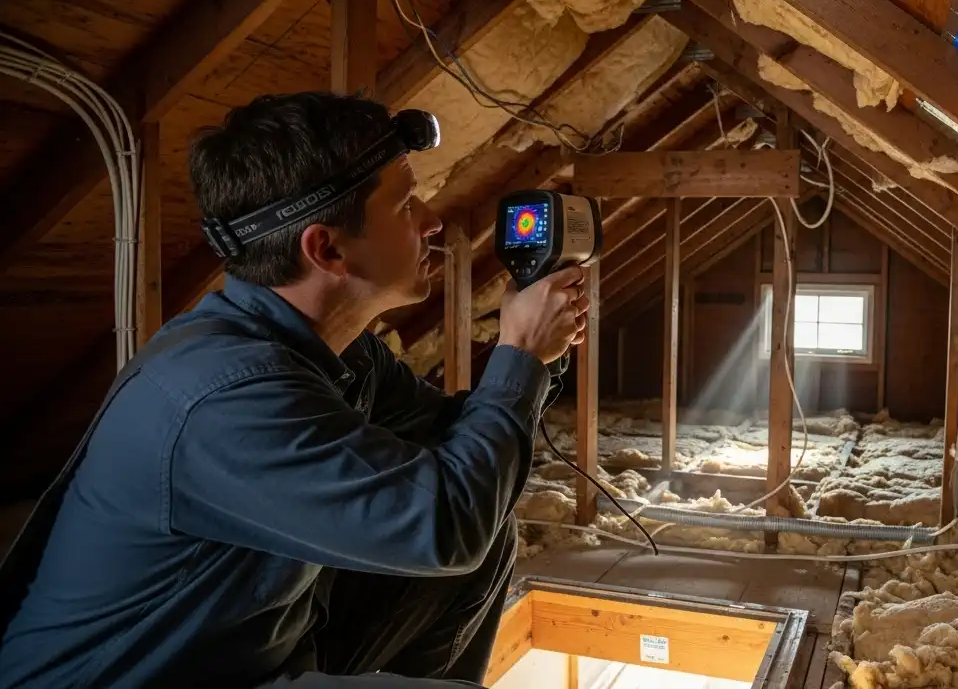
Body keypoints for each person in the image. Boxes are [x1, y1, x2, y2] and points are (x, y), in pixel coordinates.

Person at [0, 92, 588, 687]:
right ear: (328, 248)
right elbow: (445, 523)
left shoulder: (332, 349)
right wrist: (519, 354)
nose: (432, 220)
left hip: (250, 648)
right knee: (463, 534)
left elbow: (454, 444)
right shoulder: (227, 398)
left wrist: (539, 357)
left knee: (483, 543)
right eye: (406, 203)